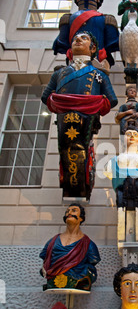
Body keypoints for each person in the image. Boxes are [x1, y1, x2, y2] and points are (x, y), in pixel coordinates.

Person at [42, 31, 118, 199]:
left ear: (93, 49)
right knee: (66, 152)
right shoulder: (59, 74)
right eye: (76, 38)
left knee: (81, 151)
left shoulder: (99, 75)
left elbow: (112, 99)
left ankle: (82, 183)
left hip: (87, 119)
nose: (77, 39)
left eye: (84, 38)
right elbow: (45, 96)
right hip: (64, 118)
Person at [53, 0, 119, 71]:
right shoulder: (67, 18)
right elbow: (63, 42)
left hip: (97, 62)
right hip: (74, 61)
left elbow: (112, 43)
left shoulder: (107, 19)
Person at [40, 203, 101, 292]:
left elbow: (92, 263)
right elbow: (44, 261)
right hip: (53, 280)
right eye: (67, 211)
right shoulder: (52, 242)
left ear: (81, 218)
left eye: (74, 210)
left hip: (77, 282)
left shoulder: (88, 245)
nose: (69, 213)